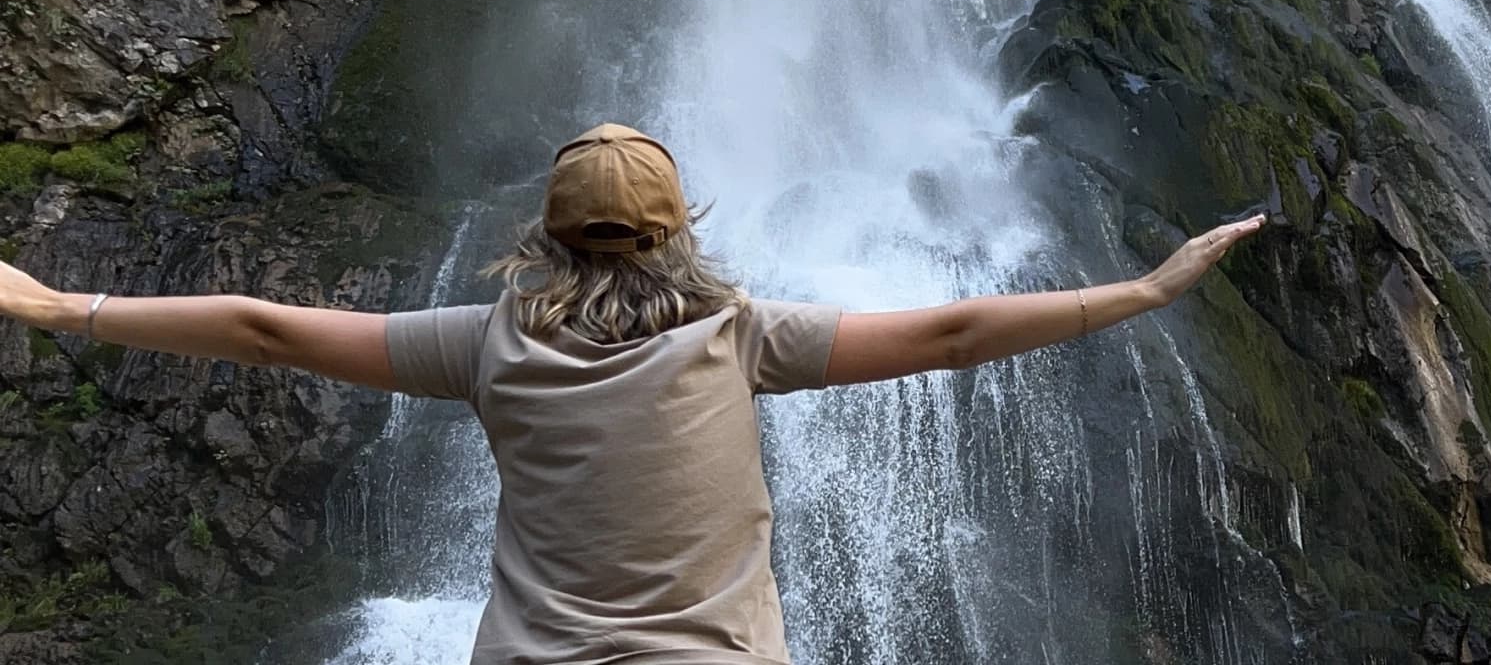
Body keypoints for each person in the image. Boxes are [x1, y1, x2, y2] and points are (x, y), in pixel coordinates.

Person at [0, 123, 1265, 664]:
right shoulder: (740, 335)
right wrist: (1144, 293)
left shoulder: (484, 342)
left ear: (544, 236)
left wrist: (64, 307)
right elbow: (948, 331)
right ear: (677, 233)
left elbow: (266, 328)